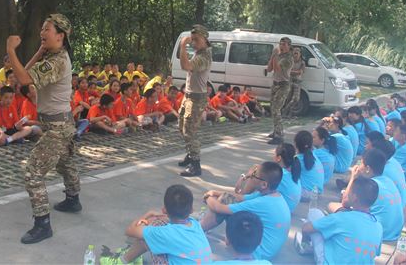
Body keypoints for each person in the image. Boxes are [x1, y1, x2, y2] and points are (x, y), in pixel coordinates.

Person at [7, 13, 81, 244]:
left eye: (46, 29)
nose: (41, 32)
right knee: (65, 163)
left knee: (33, 172)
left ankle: (43, 224)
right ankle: (73, 199)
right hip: (60, 123)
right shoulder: (53, 56)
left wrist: (11, 51)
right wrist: (38, 51)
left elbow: (25, 79)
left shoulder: (58, 61)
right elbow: (21, 79)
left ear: (60, 36)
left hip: (58, 126)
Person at [202, 162, 291, 260]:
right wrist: (215, 192)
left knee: (224, 201)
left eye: (254, 175)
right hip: (269, 250)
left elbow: (219, 208)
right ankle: (202, 226)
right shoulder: (272, 195)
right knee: (226, 198)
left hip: (257, 253)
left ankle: (198, 230)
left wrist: (208, 196)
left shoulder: (262, 202)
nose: (251, 177)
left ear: (264, 184)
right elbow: (240, 196)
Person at [116, 184, 211, 265]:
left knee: (146, 239)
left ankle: (120, 261)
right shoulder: (194, 223)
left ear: (164, 210)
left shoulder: (165, 233)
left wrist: (148, 214)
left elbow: (130, 230)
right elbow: (170, 221)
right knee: (156, 224)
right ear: (191, 210)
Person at [301, 175, 382, 265]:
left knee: (314, 213)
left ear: (354, 198)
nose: (345, 193)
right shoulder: (378, 226)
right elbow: (375, 253)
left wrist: (305, 239)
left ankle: (308, 247)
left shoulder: (342, 218)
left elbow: (306, 228)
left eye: (349, 191)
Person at [329, 149, 403, 242]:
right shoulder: (388, 181)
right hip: (392, 233)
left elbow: (345, 202)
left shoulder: (369, 185)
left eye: (361, 163)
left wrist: (353, 177)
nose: (358, 167)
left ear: (367, 169)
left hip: (377, 232)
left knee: (333, 206)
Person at [177, 25, 212, 177]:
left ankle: (195, 165)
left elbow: (185, 66)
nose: (193, 43)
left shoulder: (203, 57)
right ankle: (190, 154)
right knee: (182, 126)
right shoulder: (199, 53)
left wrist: (182, 45)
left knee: (190, 131)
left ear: (205, 39)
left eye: (196, 40)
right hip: (189, 95)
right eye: (192, 40)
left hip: (197, 98)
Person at [265, 37, 293, 145]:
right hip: (275, 84)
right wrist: (273, 55)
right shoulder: (278, 55)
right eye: (281, 44)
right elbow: (269, 69)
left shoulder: (288, 58)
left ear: (289, 46)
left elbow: (278, 69)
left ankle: (279, 135)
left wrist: (275, 56)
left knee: (276, 109)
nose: (282, 46)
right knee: (273, 108)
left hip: (283, 85)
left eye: (284, 44)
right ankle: (276, 130)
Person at [369, 135, 406, 207]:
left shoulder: (382, 171)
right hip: (400, 202)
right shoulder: (392, 161)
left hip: (394, 205)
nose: (366, 148)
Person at [294, 130, 325, 197]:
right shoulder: (313, 156)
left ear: (296, 144)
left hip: (307, 193)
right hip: (318, 192)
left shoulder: (297, 159)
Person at [273, 143, 302, 213]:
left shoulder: (279, 174)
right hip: (289, 210)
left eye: (274, 154)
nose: (273, 156)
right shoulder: (293, 173)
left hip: (280, 211)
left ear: (279, 158)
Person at [283, 46, 305, 117]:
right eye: (294, 53)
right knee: (288, 97)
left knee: (296, 99)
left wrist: (293, 72)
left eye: (297, 53)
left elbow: (301, 72)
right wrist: (295, 72)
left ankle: (286, 110)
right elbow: (287, 71)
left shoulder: (302, 62)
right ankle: (288, 114)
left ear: (300, 54)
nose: (295, 55)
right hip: (289, 80)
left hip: (297, 81)